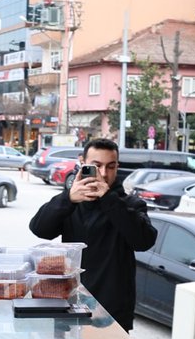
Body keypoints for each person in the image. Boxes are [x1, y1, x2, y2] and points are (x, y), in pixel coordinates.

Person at [27, 137, 154, 328]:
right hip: (69, 303)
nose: (104, 173)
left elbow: (144, 241)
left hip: (112, 311)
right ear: (83, 163)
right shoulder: (72, 201)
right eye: (97, 166)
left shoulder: (130, 205)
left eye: (111, 166)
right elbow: (39, 229)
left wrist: (109, 200)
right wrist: (68, 199)